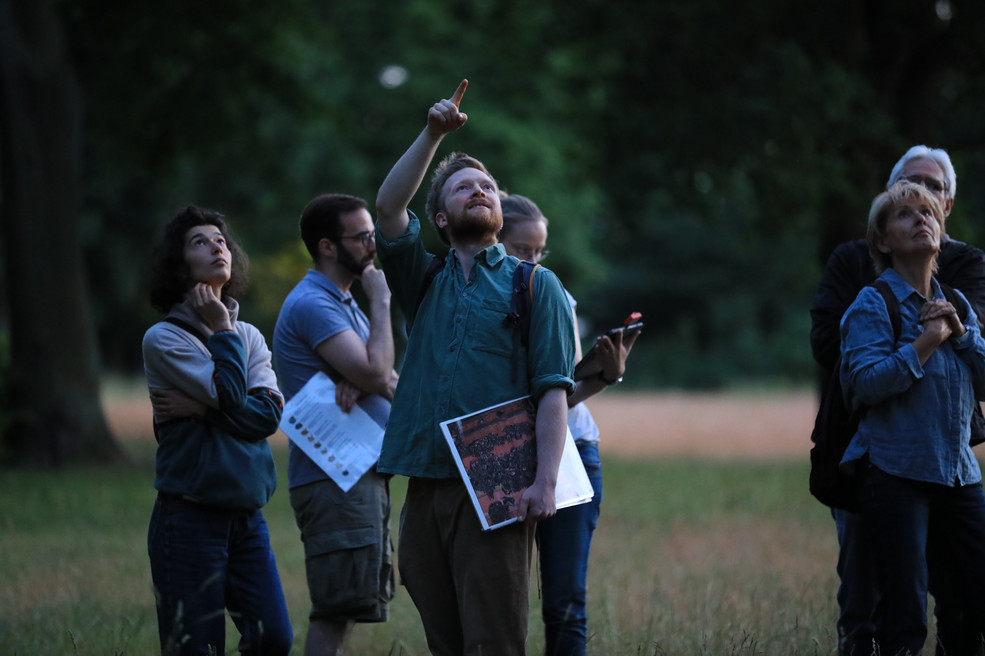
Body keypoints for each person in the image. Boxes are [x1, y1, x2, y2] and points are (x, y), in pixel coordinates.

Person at [374, 79, 576, 656]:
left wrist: (544, 482)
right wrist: (433, 134)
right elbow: (388, 207)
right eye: (463, 187)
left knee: (494, 642)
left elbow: (553, 392)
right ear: (441, 218)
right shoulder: (423, 278)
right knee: (446, 641)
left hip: (497, 481)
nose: (479, 191)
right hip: (424, 480)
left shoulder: (535, 284)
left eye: (487, 186)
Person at [810, 146, 985, 656]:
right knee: (903, 614)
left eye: (928, 211)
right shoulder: (872, 303)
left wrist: (960, 334)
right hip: (895, 472)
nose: (920, 218)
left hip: (958, 473)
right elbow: (864, 384)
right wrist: (925, 342)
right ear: (882, 240)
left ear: (944, 223)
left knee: (974, 599)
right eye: (905, 213)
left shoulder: (959, 302)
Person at [142, 205, 292, 656]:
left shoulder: (249, 335)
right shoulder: (164, 338)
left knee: (274, 638)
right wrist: (223, 329)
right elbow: (232, 395)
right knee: (197, 648)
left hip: (247, 516)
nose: (217, 247)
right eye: (200, 242)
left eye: (221, 240)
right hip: (189, 516)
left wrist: (199, 410)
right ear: (179, 262)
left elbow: (266, 418)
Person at [498, 192, 637, 656]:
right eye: (523, 249)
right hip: (501, 452)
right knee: (498, 600)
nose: (533, 260)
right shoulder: (472, 297)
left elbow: (564, 394)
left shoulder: (555, 295)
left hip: (573, 452)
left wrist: (607, 375)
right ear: (495, 240)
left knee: (564, 602)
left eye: (540, 251)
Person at [272, 193, 397, 656]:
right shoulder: (314, 303)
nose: (372, 245)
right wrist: (381, 301)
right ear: (328, 246)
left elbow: (386, 379)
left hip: (356, 473)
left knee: (347, 610)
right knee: (335, 611)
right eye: (362, 237)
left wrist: (367, 380)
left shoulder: (342, 303)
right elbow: (379, 372)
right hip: (334, 479)